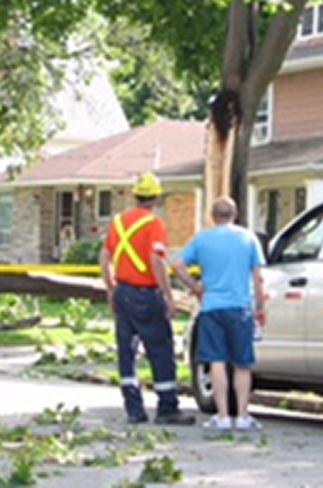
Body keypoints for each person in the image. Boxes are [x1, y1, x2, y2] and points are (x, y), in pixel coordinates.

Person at [100, 172, 195, 425]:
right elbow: (156, 260)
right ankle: (166, 408)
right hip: (146, 294)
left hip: (123, 292)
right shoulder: (154, 224)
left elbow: (105, 257)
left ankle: (133, 409)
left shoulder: (118, 222)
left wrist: (111, 289)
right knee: (160, 350)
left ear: (135, 196)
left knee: (127, 352)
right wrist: (167, 294)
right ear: (156, 198)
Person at [173, 196, 267, 431]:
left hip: (211, 307)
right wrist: (260, 306)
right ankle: (243, 415)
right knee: (242, 363)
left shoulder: (202, 239)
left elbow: (177, 265)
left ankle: (223, 415)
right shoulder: (248, 238)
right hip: (240, 307)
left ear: (213, 216)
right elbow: (258, 277)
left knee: (216, 361)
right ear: (235, 215)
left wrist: (194, 287)